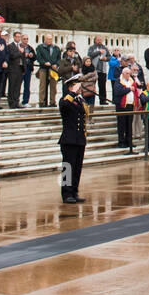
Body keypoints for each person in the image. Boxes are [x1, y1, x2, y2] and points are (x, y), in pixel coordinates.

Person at [57, 75, 88, 204]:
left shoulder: (79, 101)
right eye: (77, 86)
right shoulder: (65, 100)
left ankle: (74, 191)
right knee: (68, 167)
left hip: (79, 139)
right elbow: (64, 106)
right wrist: (71, 93)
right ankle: (66, 193)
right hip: (69, 139)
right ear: (71, 87)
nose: (80, 88)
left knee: (77, 167)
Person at [35, 34, 61, 108]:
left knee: (53, 86)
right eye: (48, 39)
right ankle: (41, 101)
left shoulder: (56, 48)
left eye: (50, 39)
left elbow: (59, 58)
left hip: (53, 69)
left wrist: (56, 64)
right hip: (43, 68)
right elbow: (38, 57)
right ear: (45, 39)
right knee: (42, 85)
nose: (49, 40)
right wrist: (44, 62)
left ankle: (52, 101)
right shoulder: (40, 47)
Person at [6, 31, 27, 108]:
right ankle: (11, 103)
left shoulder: (22, 46)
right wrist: (19, 52)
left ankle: (16, 102)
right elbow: (12, 56)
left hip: (20, 68)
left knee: (18, 87)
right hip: (13, 69)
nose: (18, 38)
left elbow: (24, 58)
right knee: (12, 86)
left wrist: (24, 68)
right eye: (17, 37)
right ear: (14, 37)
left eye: (19, 37)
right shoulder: (11, 46)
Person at [88, 37, 111, 105]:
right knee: (92, 86)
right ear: (95, 40)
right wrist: (99, 52)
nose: (99, 41)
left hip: (102, 70)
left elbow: (109, 57)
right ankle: (91, 101)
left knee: (102, 86)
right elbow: (89, 55)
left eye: (100, 40)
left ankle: (103, 100)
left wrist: (106, 58)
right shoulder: (92, 48)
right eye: (98, 40)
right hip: (93, 70)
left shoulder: (105, 48)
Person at [19, 34, 36, 107]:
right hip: (19, 68)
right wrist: (23, 54)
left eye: (27, 39)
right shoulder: (18, 46)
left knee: (27, 85)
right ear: (21, 39)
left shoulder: (30, 48)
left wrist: (32, 55)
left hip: (28, 68)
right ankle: (16, 100)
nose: (26, 40)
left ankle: (25, 101)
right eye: (24, 39)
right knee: (17, 85)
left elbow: (35, 57)